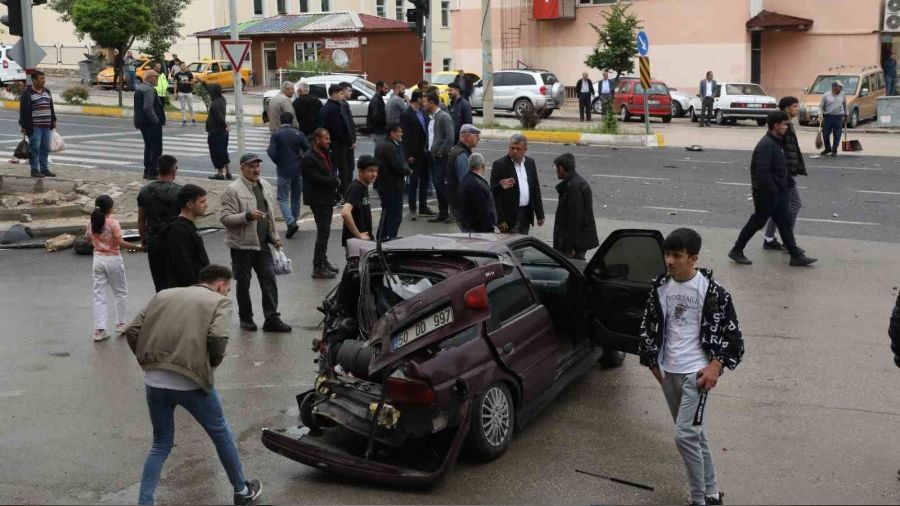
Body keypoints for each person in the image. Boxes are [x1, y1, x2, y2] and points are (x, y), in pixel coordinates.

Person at [123, 264, 263, 506]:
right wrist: (211, 364)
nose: (226, 293)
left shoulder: (164, 294)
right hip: (191, 380)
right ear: (220, 285)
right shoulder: (219, 302)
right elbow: (218, 337)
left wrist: (147, 360)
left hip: (154, 378)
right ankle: (241, 490)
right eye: (227, 289)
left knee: (160, 443)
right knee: (221, 435)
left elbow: (133, 329)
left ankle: (145, 502)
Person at [639, 227, 744, 506]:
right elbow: (647, 326)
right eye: (667, 255)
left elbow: (734, 338)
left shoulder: (713, 293)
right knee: (695, 436)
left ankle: (697, 499)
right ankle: (711, 493)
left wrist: (715, 367)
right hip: (668, 373)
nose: (669, 261)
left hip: (696, 375)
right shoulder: (660, 287)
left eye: (676, 255)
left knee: (684, 436)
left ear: (693, 258)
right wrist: (652, 361)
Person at [728, 111, 817, 267]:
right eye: (784, 124)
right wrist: (773, 191)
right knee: (757, 222)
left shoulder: (776, 142)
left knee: (785, 223)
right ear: (776, 126)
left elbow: (779, 168)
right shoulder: (766, 144)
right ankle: (736, 250)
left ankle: (795, 256)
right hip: (767, 194)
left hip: (778, 192)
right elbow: (762, 172)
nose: (786, 128)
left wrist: (784, 185)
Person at [219, 153, 292, 333]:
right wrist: (247, 216)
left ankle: (272, 318)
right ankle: (246, 318)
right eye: (251, 166)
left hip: (262, 244)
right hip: (241, 246)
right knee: (243, 283)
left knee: (269, 280)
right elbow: (225, 218)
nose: (256, 169)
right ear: (242, 168)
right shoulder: (232, 190)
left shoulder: (265, 185)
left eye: (257, 166)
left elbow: (270, 217)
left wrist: (274, 237)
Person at [88, 195, 144, 342]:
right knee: (120, 292)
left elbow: (89, 238)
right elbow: (120, 242)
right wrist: (139, 248)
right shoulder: (113, 223)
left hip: (98, 259)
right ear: (111, 209)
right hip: (113, 259)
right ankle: (120, 323)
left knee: (99, 295)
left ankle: (99, 330)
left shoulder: (92, 222)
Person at [762, 96, 807, 251]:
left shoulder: (787, 123)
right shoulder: (781, 125)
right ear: (787, 108)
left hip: (786, 172)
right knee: (794, 204)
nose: (797, 109)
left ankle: (769, 238)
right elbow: (781, 150)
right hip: (784, 174)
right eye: (795, 106)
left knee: (778, 206)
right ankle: (789, 241)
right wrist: (785, 172)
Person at [137, 154, 182, 292]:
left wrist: (144, 239)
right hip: (176, 240)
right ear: (174, 170)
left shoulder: (145, 191)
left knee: (160, 282)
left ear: (158, 169)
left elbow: (141, 219)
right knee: (177, 281)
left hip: (154, 240)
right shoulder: (180, 192)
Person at [302, 128, 341, 278]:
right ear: (317, 140)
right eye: (326, 138)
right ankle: (318, 267)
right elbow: (314, 178)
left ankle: (323, 261)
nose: (328, 141)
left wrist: (335, 183)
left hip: (327, 197)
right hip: (318, 199)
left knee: (326, 232)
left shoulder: (325, 153)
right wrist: (334, 182)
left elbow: (330, 171)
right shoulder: (308, 158)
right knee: (323, 233)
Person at [490, 134, 545, 234]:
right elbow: (494, 194)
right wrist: (500, 219)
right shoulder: (500, 165)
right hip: (509, 217)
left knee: (523, 244)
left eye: (518, 148)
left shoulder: (530, 163)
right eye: (512, 148)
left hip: (525, 213)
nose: (515, 151)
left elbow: (535, 189)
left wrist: (540, 214)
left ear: (525, 149)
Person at [267, 111, 310, 239]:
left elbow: (271, 152)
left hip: (283, 170)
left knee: (282, 198)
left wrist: (279, 161)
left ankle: (290, 222)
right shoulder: (299, 133)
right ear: (292, 121)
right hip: (298, 169)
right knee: (296, 198)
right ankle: (294, 221)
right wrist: (300, 159)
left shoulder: (277, 134)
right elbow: (308, 149)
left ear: (281, 121)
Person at [158, 184, 210, 289]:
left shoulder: (187, 225)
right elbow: (182, 263)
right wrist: (196, 286)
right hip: (187, 289)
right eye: (202, 202)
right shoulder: (179, 230)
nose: (206, 205)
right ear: (190, 204)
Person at [551, 153, 598, 260]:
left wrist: (570, 247)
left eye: (556, 167)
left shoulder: (573, 187)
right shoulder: (576, 182)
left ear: (561, 168)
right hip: (578, 241)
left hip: (574, 245)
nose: (556, 171)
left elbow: (575, 220)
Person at [399, 90, 435, 219]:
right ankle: (413, 208)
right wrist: (408, 155)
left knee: (425, 179)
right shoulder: (406, 114)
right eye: (423, 99)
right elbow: (405, 136)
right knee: (414, 181)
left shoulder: (424, 112)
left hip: (425, 152)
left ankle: (423, 207)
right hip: (414, 153)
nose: (425, 101)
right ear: (418, 99)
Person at [373, 124, 410, 241]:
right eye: (399, 132)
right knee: (394, 216)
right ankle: (390, 240)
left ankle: (381, 238)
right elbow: (397, 166)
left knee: (386, 214)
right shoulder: (390, 147)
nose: (401, 134)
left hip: (383, 185)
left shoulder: (381, 145)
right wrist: (408, 170)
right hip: (392, 186)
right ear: (392, 133)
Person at [18, 70, 57, 178]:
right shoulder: (27, 93)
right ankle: (34, 170)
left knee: (45, 148)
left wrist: (53, 119)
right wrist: (23, 126)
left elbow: (50, 107)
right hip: (35, 127)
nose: (43, 80)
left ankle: (44, 169)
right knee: (35, 149)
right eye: (41, 78)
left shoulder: (47, 91)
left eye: (44, 78)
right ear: (34, 80)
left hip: (47, 126)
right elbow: (23, 111)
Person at [425, 92, 455, 223]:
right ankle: (443, 213)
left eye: (425, 102)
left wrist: (440, 151)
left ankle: (454, 211)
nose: (423, 104)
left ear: (432, 102)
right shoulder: (432, 117)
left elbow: (450, 138)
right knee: (438, 185)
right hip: (433, 156)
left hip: (442, 157)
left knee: (440, 184)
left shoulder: (444, 117)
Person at [320, 84, 353, 198]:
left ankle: (335, 193)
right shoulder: (335, 108)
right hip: (337, 145)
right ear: (334, 94)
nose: (342, 96)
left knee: (332, 169)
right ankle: (342, 194)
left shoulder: (326, 107)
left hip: (329, 144)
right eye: (341, 93)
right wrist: (348, 141)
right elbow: (338, 129)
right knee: (343, 170)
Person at [342, 156, 378, 253]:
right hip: (356, 242)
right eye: (370, 171)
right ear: (360, 172)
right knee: (358, 267)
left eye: (376, 171)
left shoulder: (363, 186)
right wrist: (358, 235)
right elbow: (345, 213)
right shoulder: (356, 188)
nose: (374, 174)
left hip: (362, 239)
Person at [134, 70, 165, 180]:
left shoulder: (140, 88)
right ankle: (152, 172)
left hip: (143, 123)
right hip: (151, 124)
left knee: (148, 147)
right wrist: (156, 120)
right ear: (150, 78)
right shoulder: (148, 90)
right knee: (156, 148)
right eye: (156, 76)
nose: (157, 79)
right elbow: (148, 107)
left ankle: (147, 171)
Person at [446, 123, 480, 223]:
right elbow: (466, 184)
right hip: (462, 205)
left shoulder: (459, 151)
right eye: (476, 135)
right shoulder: (462, 155)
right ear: (467, 136)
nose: (479, 138)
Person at [457, 153, 496, 233]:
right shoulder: (478, 184)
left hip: (468, 225)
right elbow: (483, 210)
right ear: (483, 166)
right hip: (478, 229)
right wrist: (490, 228)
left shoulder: (467, 179)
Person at [206, 83, 232, 180]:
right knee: (224, 151)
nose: (209, 93)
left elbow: (219, 116)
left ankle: (220, 173)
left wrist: (225, 125)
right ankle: (228, 172)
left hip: (216, 131)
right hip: (222, 132)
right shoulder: (222, 100)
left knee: (216, 152)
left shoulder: (215, 103)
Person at [339, 81, 359, 197]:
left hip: (346, 143)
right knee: (347, 168)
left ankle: (345, 192)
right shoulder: (343, 104)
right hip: (346, 144)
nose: (351, 92)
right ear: (344, 90)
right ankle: (346, 193)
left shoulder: (343, 104)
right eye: (350, 90)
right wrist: (351, 141)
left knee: (347, 168)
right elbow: (347, 124)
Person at [819, 81, 847, 157]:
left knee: (837, 135)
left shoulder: (843, 94)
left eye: (841, 87)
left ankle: (834, 150)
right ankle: (828, 148)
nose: (841, 88)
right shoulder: (826, 95)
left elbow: (845, 105)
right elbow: (821, 106)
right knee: (825, 134)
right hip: (828, 117)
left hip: (838, 117)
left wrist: (846, 114)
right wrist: (820, 114)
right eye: (839, 87)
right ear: (834, 87)